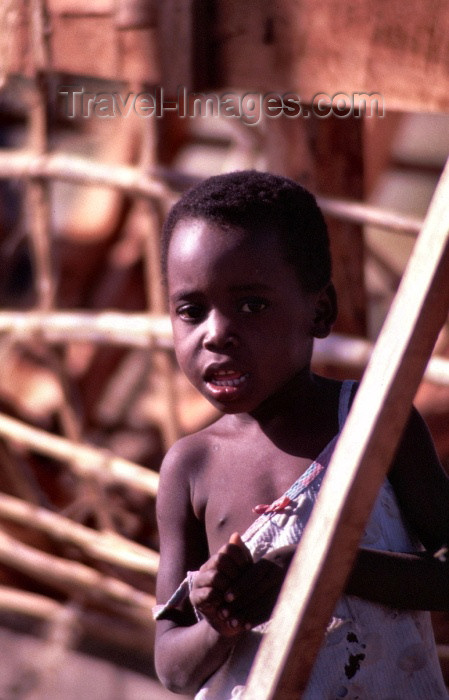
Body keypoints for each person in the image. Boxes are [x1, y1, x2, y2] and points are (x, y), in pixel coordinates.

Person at [153, 170, 449, 699]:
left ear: (320, 311)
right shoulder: (190, 467)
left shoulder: (373, 422)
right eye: (191, 311)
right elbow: (174, 668)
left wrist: (309, 568)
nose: (216, 333)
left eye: (252, 305)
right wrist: (220, 617)